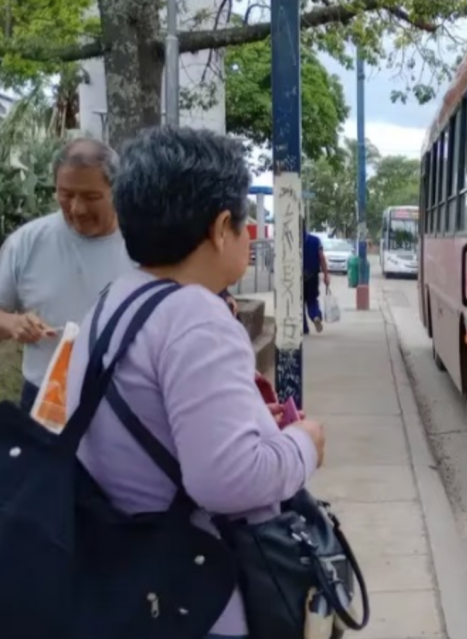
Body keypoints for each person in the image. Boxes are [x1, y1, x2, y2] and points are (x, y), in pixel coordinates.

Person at [65, 126, 326, 639]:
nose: (248, 235)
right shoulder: (198, 318)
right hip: (194, 597)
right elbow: (226, 481)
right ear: (221, 226)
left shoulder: (115, 300)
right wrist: (304, 444)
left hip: (119, 571)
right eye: (245, 223)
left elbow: (152, 423)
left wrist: (249, 424)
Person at [0, 138, 135, 411]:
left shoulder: (144, 243)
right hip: (45, 399)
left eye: (91, 197)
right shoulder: (27, 242)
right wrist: (14, 323)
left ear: (117, 190)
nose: (77, 208)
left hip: (121, 403)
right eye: (66, 194)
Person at [302, 224, 330, 334]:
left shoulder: (293, 241)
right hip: (312, 275)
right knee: (312, 300)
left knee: (300, 303)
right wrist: (326, 274)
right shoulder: (316, 240)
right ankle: (315, 316)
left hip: (298, 276)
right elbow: (321, 257)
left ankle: (304, 328)